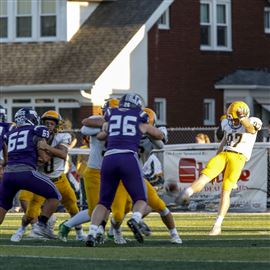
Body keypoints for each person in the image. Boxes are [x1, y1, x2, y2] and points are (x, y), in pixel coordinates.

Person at [85, 93, 164, 247]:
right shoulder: (139, 118)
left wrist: (109, 130)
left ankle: (92, 232)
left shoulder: (111, 116)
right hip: (128, 157)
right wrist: (149, 130)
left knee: (103, 202)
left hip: (108, 159)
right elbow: (158, 135)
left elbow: (101, 136)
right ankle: (135, 219)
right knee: (140, 198)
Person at [175, 101, 262, 236]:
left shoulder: (252, 121)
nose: (232, 122)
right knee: (205, 178)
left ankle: (217, 225)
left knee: (225, 191)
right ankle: (187, 193)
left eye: (234, 119)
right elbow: (223, 142)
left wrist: (242, 118)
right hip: (224, 154)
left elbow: (250, 129)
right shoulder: (228, 123)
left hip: (238, 157)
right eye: (231, 119)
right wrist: (217, 165)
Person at [11, 110, 85, 242]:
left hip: (59, 178)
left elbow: (63, 154)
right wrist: (47, 150)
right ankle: (23, 229)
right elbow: (40, 159)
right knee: (30, 211)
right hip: (41, 178)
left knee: (73, 205)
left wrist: (47, 147)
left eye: (51, 124)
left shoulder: (62, 136)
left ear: (57, 126)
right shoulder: (35, 136)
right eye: (46, 123)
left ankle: (79, 233)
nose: (48, 126)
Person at [0, 108, 61, 238]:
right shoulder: (36, 130)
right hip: (26, 173)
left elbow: (7, 157)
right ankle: (41, 226)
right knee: (55, 195)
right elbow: (43, 157)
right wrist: (46, 156)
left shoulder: (11, 132)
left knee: (3, 205)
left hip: (8, 174)